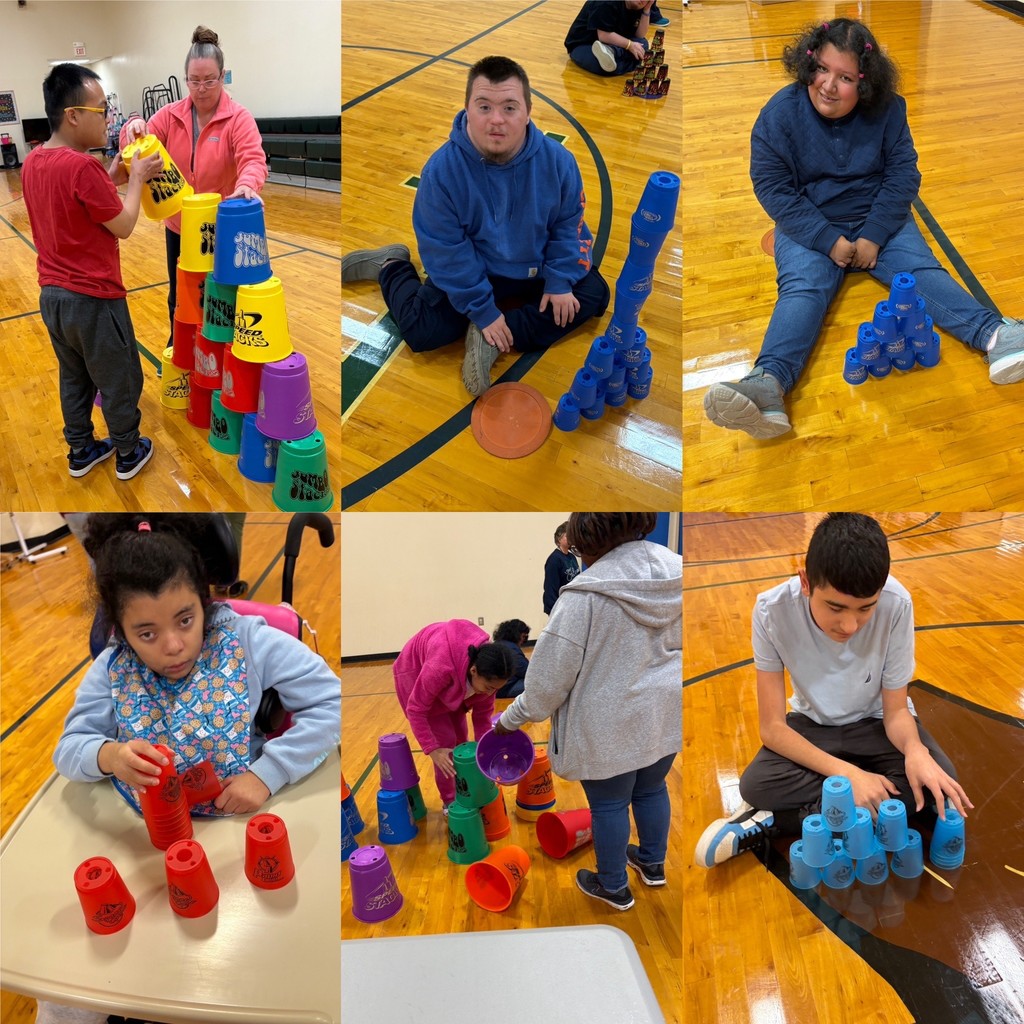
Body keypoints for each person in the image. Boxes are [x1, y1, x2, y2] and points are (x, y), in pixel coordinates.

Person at [703, 18, 1024, 440]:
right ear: (807, 64)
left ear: (866, 82)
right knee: (803, 290)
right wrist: (827, 240)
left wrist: (873, 234)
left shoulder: (889, 109)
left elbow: (903, 176)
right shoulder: (779, 114)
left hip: (878, 217)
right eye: (821, 69)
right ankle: (768, 384)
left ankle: (998, 335)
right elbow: (773, 189)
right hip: (810, 221)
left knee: (920, 274)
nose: (828, 86)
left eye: (845, 77)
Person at [694, 513, 973, 868]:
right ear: (806, 582)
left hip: (876, 725)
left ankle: (780, 821)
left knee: (937, 786)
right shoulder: (770, 611)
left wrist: (915, 751)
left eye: (866, 608)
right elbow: (773, 728)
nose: (850, 625)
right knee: (755, 785)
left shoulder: (897, 603)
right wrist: (849, 775)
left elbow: (896, 712)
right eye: (835, 607)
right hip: (813, 726)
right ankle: (864, 801)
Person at [342, 55, 610, 397]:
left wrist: (559, 281)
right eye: (484, 107)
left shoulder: (558, 162)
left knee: (593, 294)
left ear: (528, 112)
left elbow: (568, 225)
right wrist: (482, 310)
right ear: (467, 109)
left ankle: (492, 339)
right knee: (421, 332)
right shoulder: (441, 172)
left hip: (535, 267)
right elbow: (446, 252)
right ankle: (390, 265)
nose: (496, 120)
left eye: (509, 108)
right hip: (476, 269)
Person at [53, 514, 340, 817]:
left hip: (245, 816)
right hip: (147, 825)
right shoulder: (113, 666)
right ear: (122, 631)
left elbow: (333, 702)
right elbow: (69, 748)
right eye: (147, 634)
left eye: (185, 620)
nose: (174, 646)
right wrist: (109, 756)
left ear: (204, 602)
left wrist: (269, 773)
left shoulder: (249, 642)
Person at [495, 514, 682, 910]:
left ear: (585, 542)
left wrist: (508, 721)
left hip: (608, 725)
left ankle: (613, 886)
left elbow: (544, 687)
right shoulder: (677, 570)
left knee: (610, 804)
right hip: (664, 713)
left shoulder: (583, 597)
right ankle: (652, 864)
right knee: (652, 788)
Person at [21, 64, 164, 481]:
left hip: (53, 298)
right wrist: (136, 180)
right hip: (94, 299)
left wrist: (110, 178)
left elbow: (76, 202)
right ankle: (127, 451)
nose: (108, 117)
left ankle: (81, 448)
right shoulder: (82, 167)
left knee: (75, 377)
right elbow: (124, 224)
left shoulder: (34, 161)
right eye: (102, 109)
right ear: (73, 115)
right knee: (120, 376)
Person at [120, 26, 268, 343]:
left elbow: (253, 159)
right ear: (185, 79)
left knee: (224, 296)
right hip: (180, 226)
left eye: (209, 80)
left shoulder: (239, 118)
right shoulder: (169, 115)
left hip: (221, 226)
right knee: (181, 295)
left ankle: (221, 351)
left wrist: (248, 183)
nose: (201, 89)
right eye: (194, 80)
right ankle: (181, 347)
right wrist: (132, 127)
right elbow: (134, 145)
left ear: (223, 76)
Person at [392, 619, 515, 810]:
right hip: (413, 672)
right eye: (489, 687)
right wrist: (433, 749)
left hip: (455, 676)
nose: (491, 693)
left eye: (495, 689)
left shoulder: (487, 674)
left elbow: (482, 719)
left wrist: (485, 752)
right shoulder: (439, 669)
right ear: (473, 671)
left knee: (461, 742)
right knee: (445, 746)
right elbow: (416, 709)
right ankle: (449, 802)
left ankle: (465, 791)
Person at [564, 0, 654, 77]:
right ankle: (627, 60)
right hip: (584, 45)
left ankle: (612, 51)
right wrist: (630, 45)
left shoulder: (637, 5)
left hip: (611, 43)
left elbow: (639, 36)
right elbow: (603, 35)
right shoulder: (606, 2)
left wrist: (646, 10)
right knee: (606, 68)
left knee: (643, 43)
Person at [543, 521, 580, 615]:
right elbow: (551, 588)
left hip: (572, 605)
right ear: (559, 539)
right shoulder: (554, 560)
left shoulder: (572, 557)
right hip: (560, 608)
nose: (571, 538)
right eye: (567, 536)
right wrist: (555, 611)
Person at [492, 619, 531, 699]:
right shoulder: (512, 650)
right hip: (506, 688)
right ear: (517, 635)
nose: (524, 641)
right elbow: (528, 672)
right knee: (540, 684)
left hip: (498, 688)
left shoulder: (498, 644)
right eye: (524, 637)